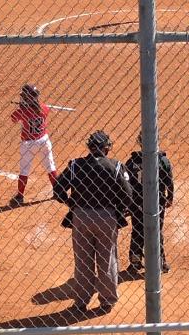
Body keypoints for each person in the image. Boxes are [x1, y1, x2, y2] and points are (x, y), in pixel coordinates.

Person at [52, 130, 132, 312]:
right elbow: (128, 195)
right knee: (107, 258)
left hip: (81, 216)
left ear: (89, 147)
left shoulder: (75, 165)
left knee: (82, 260)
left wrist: (72, 204)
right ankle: (107, 301)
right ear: (106, 148)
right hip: (107, 217)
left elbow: (58, 190)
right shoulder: (116, 166)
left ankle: (81, 301)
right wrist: (117, 209)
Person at [122, 133, 175, 277]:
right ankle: (161, 262)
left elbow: (127, 185)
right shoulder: (163, 160)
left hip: (137, 202)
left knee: (137, 230)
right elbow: (169, 182)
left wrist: (127, 204)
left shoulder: (132, 162)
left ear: (139, 143)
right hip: (157, 202)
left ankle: (135, 262)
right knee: (156, 231)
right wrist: (170, 197)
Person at [10, 83, 59, 205]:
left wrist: (22, 108)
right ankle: (58, 192)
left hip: (28, 144)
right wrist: (27, 107)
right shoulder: (44, 108)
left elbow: (13, 118)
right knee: (50, 166)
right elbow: (41, 110)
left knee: (24, 170)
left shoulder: (23, 112)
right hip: (43, 141)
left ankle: (20, 197)